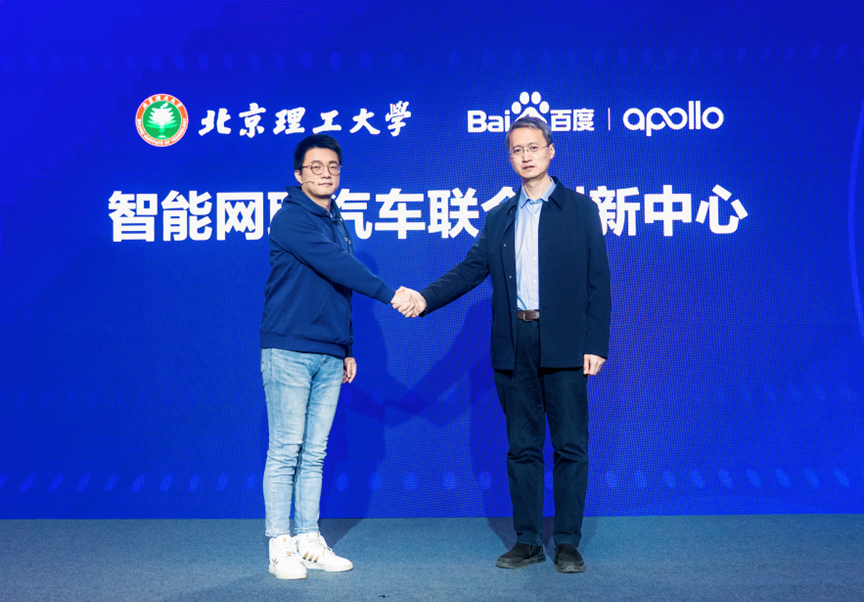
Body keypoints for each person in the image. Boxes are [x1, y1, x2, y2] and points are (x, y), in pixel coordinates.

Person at [402, 116, 611, 573]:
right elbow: (469, 270)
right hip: (515, 342)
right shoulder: (500, 216)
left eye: (533, 147)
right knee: (522, 447)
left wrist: (595, 343)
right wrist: (425, 298)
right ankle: (529, 540)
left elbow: (598, 281)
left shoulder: (580, 209)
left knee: (570, 446)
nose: (526, 156)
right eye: (517, 150)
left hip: (565, 342)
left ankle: (568, 542)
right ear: (509, 158)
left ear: (551, 150)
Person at [260, 134, 416, 579]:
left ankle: (308, 539)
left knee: (315, 453)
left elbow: (339, 291)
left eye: (332, 167)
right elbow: (337, 265)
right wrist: (391, 294)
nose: (325, 173)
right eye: (315, 167)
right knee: (286, 451)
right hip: (289, 349)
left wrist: (346, 347)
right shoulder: (291, 219)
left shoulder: (337, 221)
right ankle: (279, 545)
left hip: (329, 354)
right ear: (298, 174)